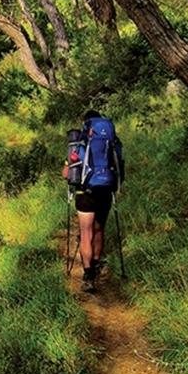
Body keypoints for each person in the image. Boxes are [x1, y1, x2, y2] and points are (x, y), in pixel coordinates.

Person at [62, 110, 124, 292]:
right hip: (105, 189)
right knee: (99, 230)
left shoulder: (80, 141)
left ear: (86, 123)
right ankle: (96, 264)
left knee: (86, 233)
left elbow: (66, 173)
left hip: (85, 192)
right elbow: (119, 165)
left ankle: (88, 275)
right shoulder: (111, 140)